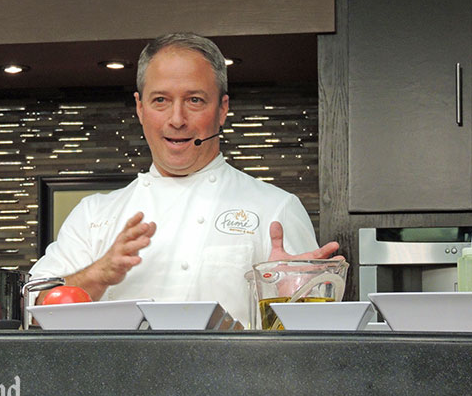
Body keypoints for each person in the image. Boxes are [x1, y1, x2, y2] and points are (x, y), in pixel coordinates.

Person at [29, 32, 340, 326]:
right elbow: (32, 310)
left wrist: (290, 294)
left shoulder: (276, 210)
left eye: (194, 100)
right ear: (140, 108)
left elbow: (309, 341)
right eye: (160, 100)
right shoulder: (93, 215)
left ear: (222, 109)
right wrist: (98, 274)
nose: (176, 120)